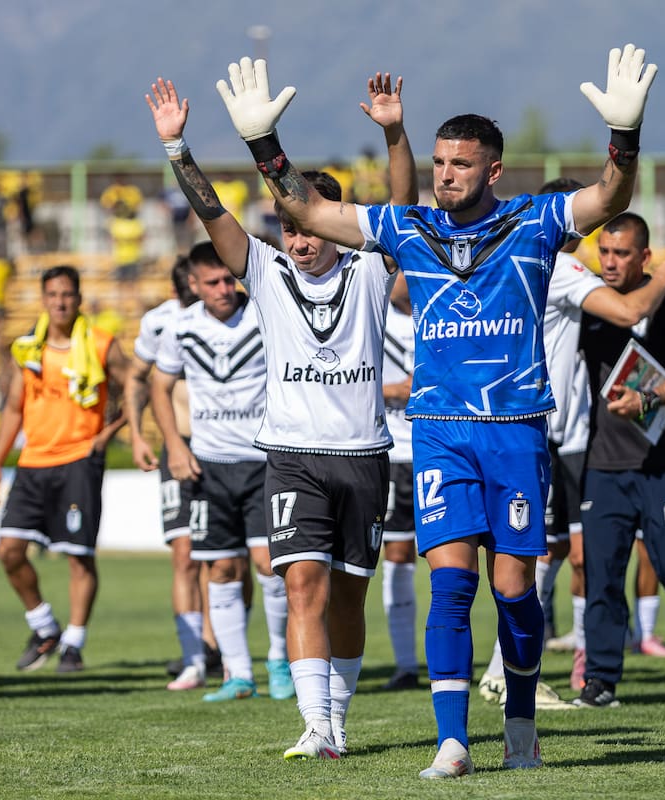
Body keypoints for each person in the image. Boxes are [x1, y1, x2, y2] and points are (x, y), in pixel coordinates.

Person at [211, 45, 657, 776]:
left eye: (460, 163)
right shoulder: (405, 229)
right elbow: (306, 208)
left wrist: (626, 137)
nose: (445, 173)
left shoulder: (536, 221)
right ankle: (452, 740)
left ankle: (519, 721)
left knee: (515, 593)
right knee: (449, 584)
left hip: (515, 432)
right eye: (440, 161)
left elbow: (608, 198)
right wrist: (264, 145)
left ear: (492, 170)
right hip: (441, 432)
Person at [147, 67, 414, 760]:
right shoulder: (265, 272)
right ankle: (316, 724)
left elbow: (406, 209)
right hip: (291, 457)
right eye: (289, 226)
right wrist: (179, 149)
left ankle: (339, 716)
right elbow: (212, 216)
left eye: (310, 226)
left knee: (349, 600)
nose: (298, 239)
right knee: (301, 584)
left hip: (364, 457)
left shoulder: (370, 271)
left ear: (336, 225)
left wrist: (394, 134)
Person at [477, 177, 665, 703]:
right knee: (539, 554)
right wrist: (663, 278)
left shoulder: (522, 259)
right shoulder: (563, 267)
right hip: (546, 433)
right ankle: (509, 669)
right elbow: (631, 312)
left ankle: (560, 665)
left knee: (566, 552)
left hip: (559, 435)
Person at [576, 212, 665, 709]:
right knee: (602, 573)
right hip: (603, 464)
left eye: (621, 254)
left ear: (645, 257)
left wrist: (649, 399)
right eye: (604, 252)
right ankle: (600, 681)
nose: (610, 262)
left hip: (664, 464)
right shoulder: (590, 304)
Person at [151, 241, 294, 702]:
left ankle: (278, 661)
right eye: (210, 282)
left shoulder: (262, 315)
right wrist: (175, 444)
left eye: (227, 279)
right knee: (221, 568)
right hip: (208, 466)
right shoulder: (179, 326)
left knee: (269, 567)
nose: (223, 289)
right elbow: (159, 384)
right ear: (193, 284)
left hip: (261, 462)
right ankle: (237, 674)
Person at [0, 266, 129, 674]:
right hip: (33, 462)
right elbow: (14, 407)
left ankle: (74, 642)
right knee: (9, 550)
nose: (60, 302)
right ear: (43, 299)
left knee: (79, 556)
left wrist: (111, 432)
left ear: (79, 299)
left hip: (79, 459)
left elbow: (138, 386)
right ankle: (44, 625)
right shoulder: (28, 349)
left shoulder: (102, 344)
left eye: (67, 294)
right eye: (52, 295)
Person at [124, 255, 219, 690]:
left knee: (225, 559)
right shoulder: (160, 322)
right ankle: (193, 657)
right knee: (183, 555)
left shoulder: (233, 317)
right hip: (177, 446)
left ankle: (218, 646)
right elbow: (137, 378)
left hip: (226, 448)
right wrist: (139, 434)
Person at [379, 271, 420, 691]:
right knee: (397, 553)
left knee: (455, 556)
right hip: (392, 454)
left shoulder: (438, 311)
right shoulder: (375, 315)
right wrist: (399, 389)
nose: (395, 275)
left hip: (435, 449)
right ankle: (406, 664)